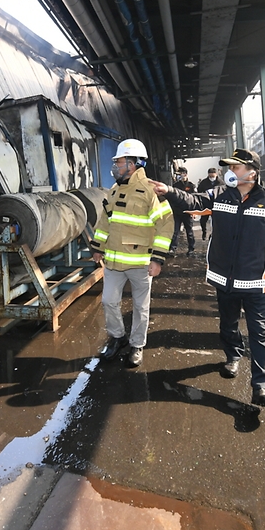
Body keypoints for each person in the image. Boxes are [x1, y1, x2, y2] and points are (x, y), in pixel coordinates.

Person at [153, 149, 265, 409]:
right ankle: (233, 356)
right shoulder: (220, 194)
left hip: (255, 281)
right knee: (228, 325)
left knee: (259, 333)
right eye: (229, 168)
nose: (230, 172)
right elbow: (193, 200)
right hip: (224, 278)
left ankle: (262, 386)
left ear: (252, 172)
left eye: (236, 168)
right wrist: (169, 190)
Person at [90, 139, 174, 367]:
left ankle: (137, 345)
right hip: (114, 262)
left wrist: (157, 259)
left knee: (140, 307)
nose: (116, 165)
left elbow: (165, 225)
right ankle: (118, 338)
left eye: (119, 161)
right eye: (116, 161)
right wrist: (97, 248)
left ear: (133, 163)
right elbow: (105, 221)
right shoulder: (115, 189)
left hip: (141, 263)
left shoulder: (151, 189)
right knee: (109, 302)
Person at [169, 166, 196, 256]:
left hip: (188, 212)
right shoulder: (176, 185)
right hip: (177, 211)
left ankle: (191, 248)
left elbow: (194, 199)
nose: (179, 176)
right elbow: (172, 198)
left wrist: (194, 212)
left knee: (189, 231)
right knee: (175, 231)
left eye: (180, 174)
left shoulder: (191, 185)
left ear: (185, 174)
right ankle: (172, 248)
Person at [195, 167, 219, 239]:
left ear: (216, 174)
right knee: (203, 220)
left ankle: (214, 234)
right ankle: (204, 232)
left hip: (216, 205)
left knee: (216, 221)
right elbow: (199, 192)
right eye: (210, 176)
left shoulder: (220, 182)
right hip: (206, 204)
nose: (211, 178)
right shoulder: (204, 182)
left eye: (213, 176)